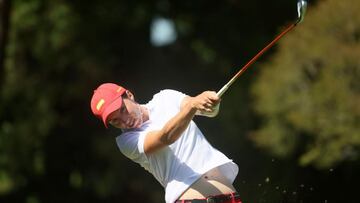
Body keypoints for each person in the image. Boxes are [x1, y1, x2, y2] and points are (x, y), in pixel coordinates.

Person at [90, 83, 242, 203]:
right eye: (115, 120)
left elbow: (204, 109)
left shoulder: (165, 98)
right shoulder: (126, 142)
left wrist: (209, 102)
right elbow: (166, 137)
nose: (124, 120)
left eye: (123, 110)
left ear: (129, 95)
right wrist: (192, 106)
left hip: (230, 196)